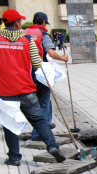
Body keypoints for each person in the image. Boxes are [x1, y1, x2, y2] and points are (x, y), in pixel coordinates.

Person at [0, 9, 66, 166]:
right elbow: (37, 63)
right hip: (26, 88)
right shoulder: (27, 40)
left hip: (5, 91)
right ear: (18, 23)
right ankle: (52, 146)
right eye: (20, 21)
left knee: (9, 123)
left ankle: (14, 158)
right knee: (38, 119)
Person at [24, 12, 69, 140]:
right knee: (43, 101)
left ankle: (47, 124)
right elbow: (50, 52)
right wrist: (62, 58)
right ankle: (38, 133)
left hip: (26, 71)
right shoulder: (43, 34)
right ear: (44, 22)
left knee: (38, 101)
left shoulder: (24, 32)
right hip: (40, 72)